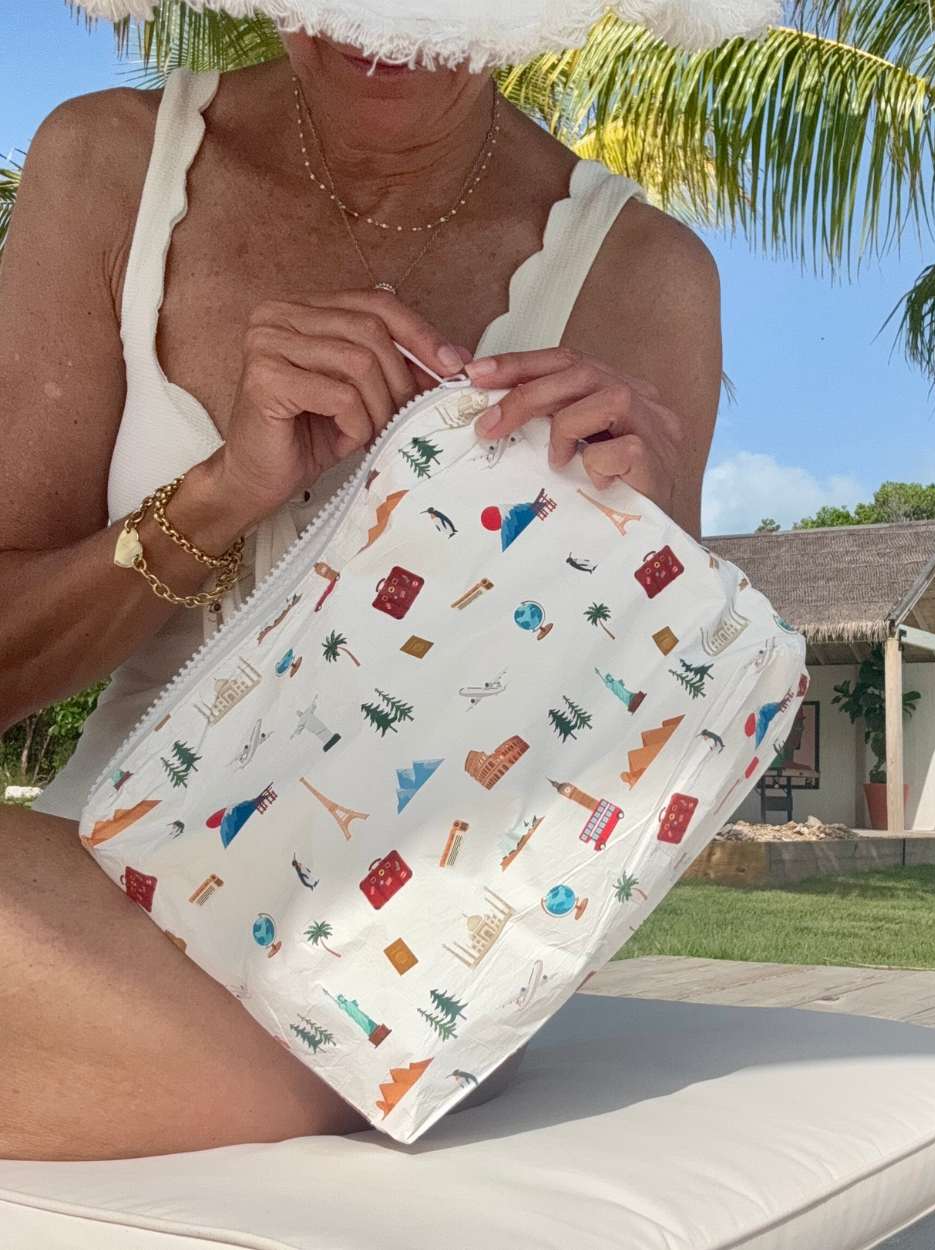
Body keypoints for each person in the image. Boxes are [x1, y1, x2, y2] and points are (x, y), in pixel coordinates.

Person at [0, 33, 721, 1161]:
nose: (376, 32)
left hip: (401, 957)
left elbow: (596, 786)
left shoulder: (642, 274)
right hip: (85, 909)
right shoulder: (109, 165)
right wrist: (220, 495)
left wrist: (643, 565)